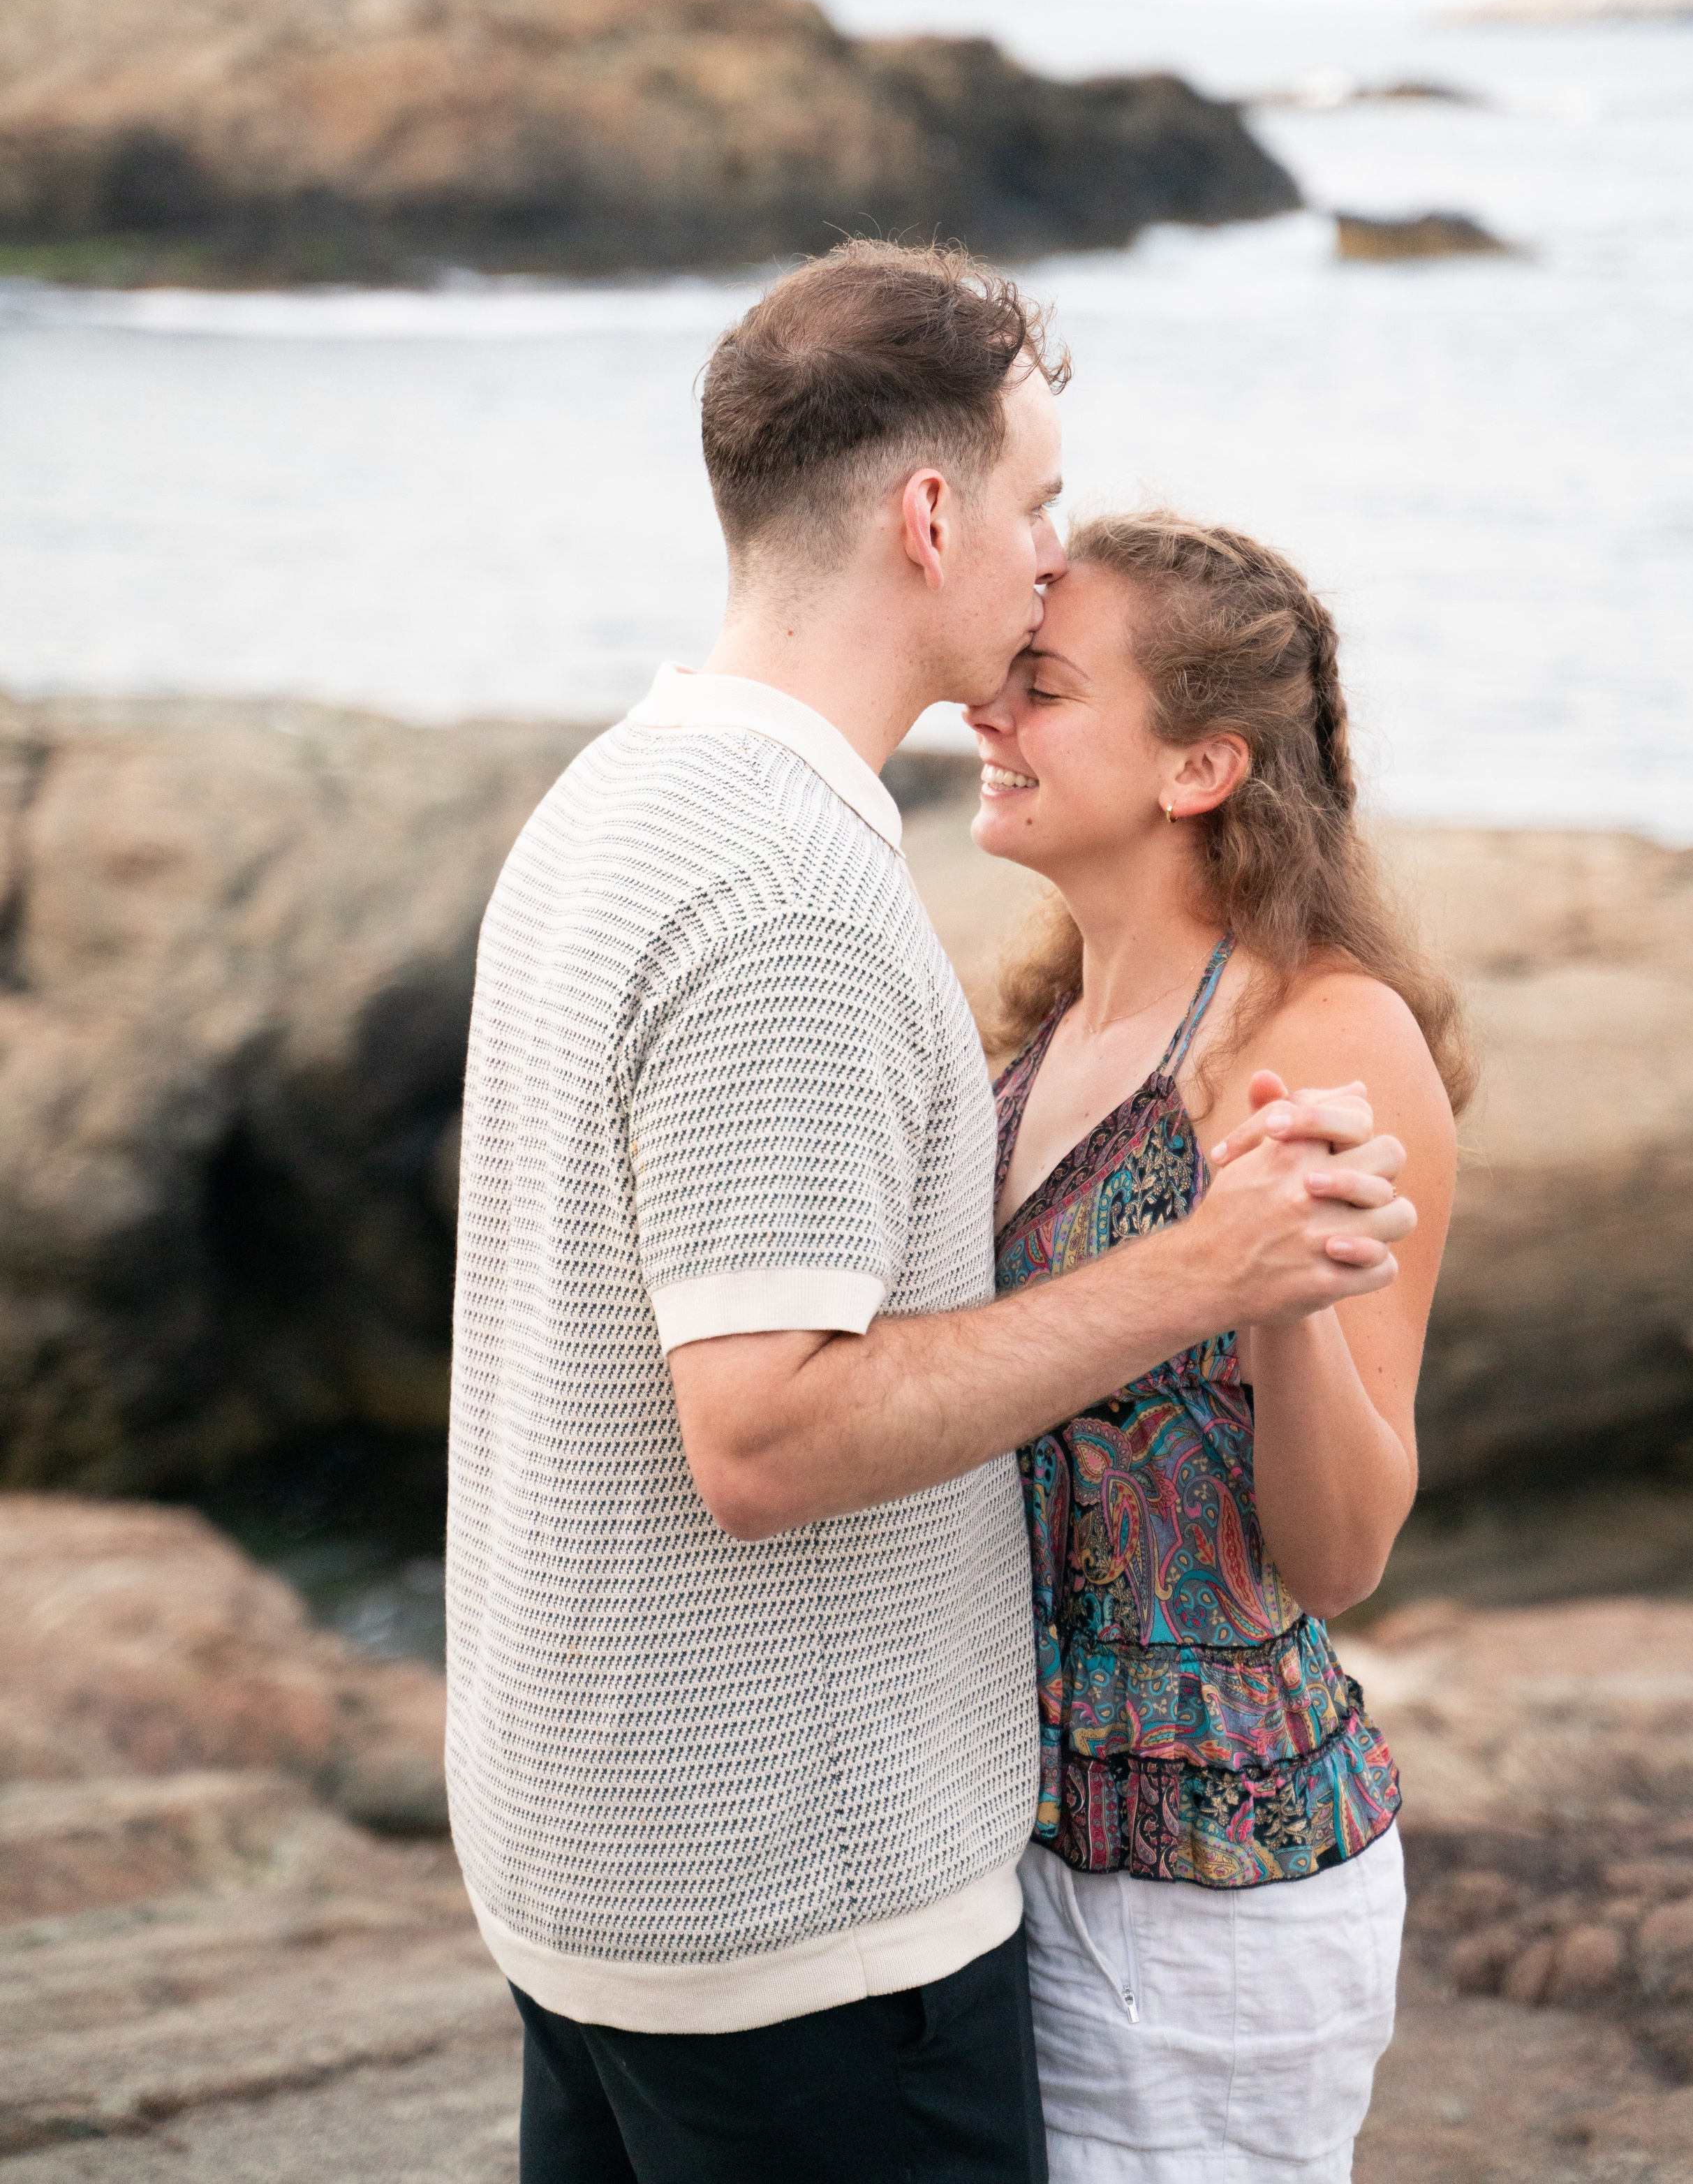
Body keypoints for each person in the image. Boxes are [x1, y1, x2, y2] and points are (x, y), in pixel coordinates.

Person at [445, 242, 1418, 2184]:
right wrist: (1199, 1269)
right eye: (1035, 505)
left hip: (758, 1869)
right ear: (926, 514)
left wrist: (1261, 1285)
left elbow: (1332, 1529)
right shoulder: (798, 896)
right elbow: (767, 1431)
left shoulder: (616, 801)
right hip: (793, 1905)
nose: (1041, 561)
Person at [965, 511, 1472, 2183]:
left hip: (1206, 1902)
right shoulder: (1040, 1033)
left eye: (1042, 686)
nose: (982, 709)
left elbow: (1340, 1551)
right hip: (993, 1853)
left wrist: (1275, 1296)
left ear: (1198, 766)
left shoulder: (1321, 1033)